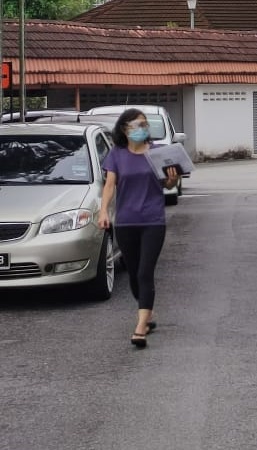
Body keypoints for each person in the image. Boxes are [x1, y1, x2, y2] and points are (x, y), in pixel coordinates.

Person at [97, 108, 181, 348]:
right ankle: (147, 311)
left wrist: (172, 179)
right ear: (125, 129)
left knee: (145, 272)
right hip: (125, 222)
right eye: (137, 125)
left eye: (145, 124)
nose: (143, 128)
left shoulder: (158, 152)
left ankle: (140, 326)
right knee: (134, 274)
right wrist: (104, 211)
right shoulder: (117, 154)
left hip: (153, 221)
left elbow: (167, 183)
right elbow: (110, 185)